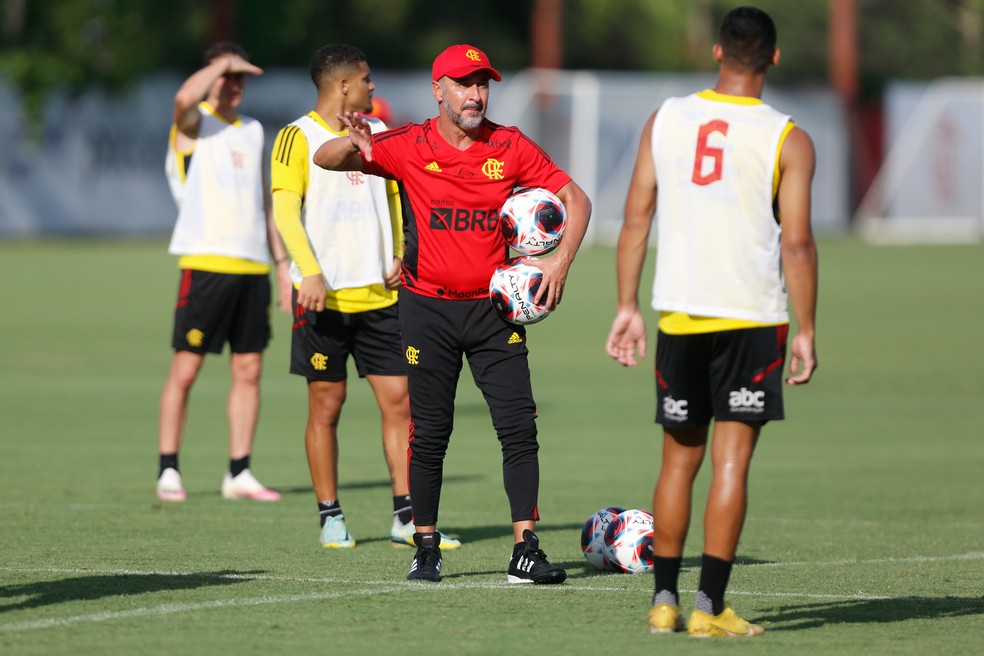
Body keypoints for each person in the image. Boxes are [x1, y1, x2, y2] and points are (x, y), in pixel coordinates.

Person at [312, 43, 591, 584]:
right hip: (427, 312)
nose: (476, 94)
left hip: (493, 312)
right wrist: (353, 144)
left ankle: (525, 550)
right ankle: (425, 546)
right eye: (464, 83)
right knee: (431, 432)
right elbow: (324, 159)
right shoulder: (408, 144)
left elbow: (574, 199)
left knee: (518, 429)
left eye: (484, 83)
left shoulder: (509, 146)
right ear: (438, 90)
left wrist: (558, 264)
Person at [605, 6, 818, 638]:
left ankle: (663, 601)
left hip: (681, 314)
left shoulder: (666, 118)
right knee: (731, 465)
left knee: (678, 462)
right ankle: (709, 609)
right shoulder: (789, 136)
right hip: (752, 316)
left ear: (719, 51)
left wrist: (627, 305)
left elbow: (636, 216)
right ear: (773, 59)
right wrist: (806, 328)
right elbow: (798, 244)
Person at [270, 44, 460, 550]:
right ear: (343, 85)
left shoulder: (381, 135)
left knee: (400, 403)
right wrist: (306, 272)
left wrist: (402, 252)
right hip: (323, 301)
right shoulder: (295, 137)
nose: (374, 87)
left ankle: (406, 517)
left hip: (381, 298)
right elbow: (286, 213)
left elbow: (397, 197)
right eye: (367, 79)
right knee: (326, 406)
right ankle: (330, 516)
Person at [158, 42, 292, 503]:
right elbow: (181, 101)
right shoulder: (194, 124)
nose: (235, 85)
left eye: (241, 78)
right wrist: (219, 64)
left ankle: (238, 471)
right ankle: (169, 467)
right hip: (206, 261)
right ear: (211, 76)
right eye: (227, 76)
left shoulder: (254, 130)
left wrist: (282, 265)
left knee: (249, 369)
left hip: (252, 265)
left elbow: (265, 202)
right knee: (187, 368)